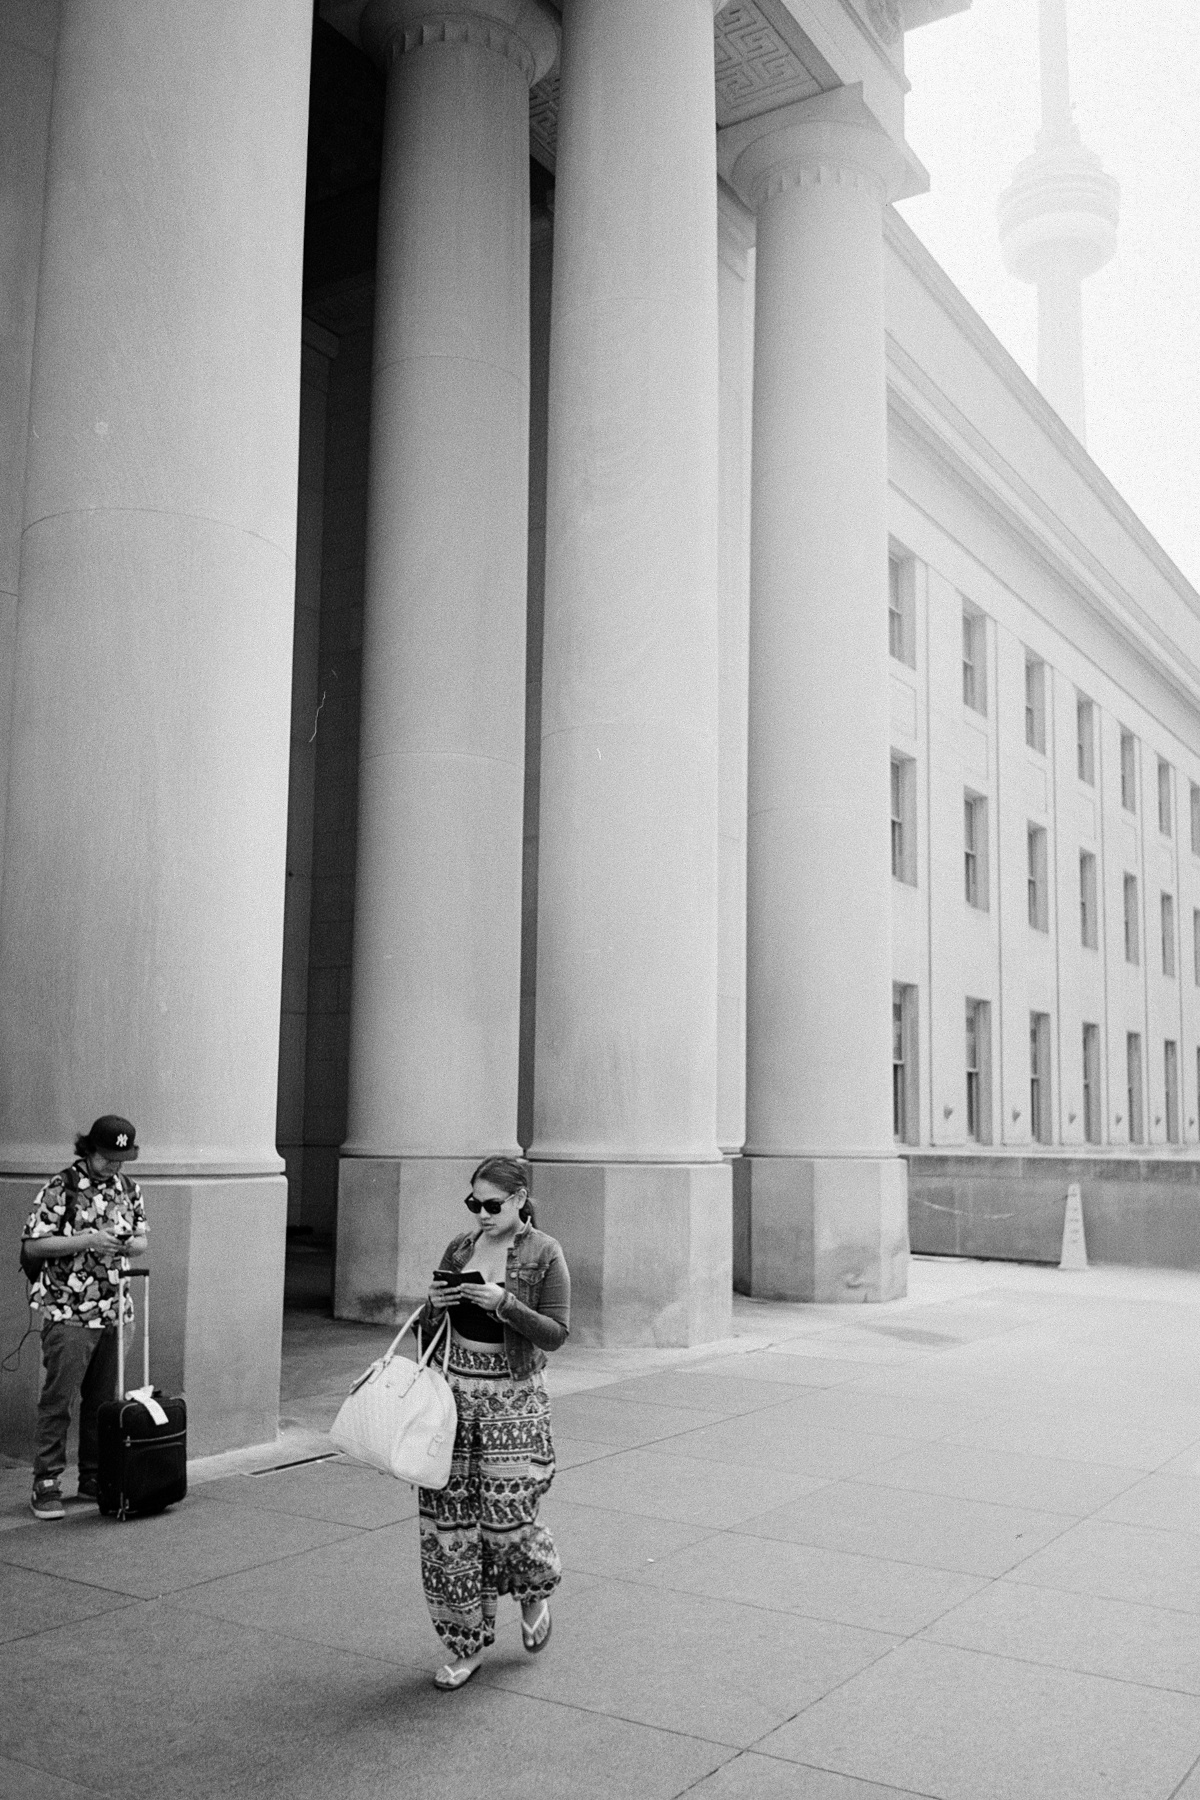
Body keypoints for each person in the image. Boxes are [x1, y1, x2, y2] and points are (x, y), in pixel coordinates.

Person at [417, 1154, 570, 1691]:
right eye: (474, 1203)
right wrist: (434, 1305)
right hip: (454, 1397)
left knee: (508, 1518)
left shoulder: (544, 1252)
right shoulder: (460, 1249)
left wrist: (505, 1303)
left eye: (492, 1204)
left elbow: (556, 1333)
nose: (481, 1214)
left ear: (520, 1199)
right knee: (450, 1531)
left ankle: (533, 1589)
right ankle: (465, 1646)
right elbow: (428, 1331)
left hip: (513, 1401)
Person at [21, 1115, 147, 1519]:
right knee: (58, 1399)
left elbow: (142, 1238)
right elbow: (34, 1245)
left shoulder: (129, 1188)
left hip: (115, 1310)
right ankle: (46, 1481)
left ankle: (93, 1476)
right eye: (107, 1158)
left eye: (121, 1159)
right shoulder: (62, 1187)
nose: (114, 1166)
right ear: (89, 1150)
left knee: (102, 1402)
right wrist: (89, 1240)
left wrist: (128, 1246)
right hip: (69, 1311)